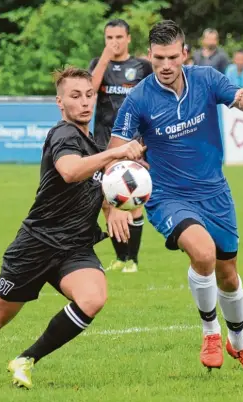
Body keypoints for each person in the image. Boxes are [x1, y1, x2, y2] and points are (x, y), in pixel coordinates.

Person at [0, 67, 145, 389]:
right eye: (75, 96)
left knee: (93, 298)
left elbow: (98, 183)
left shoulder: (91, 142)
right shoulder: (64, 135)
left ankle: (26, 359)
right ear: (60, 102)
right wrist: (117, 151)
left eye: (88, 95)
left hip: (74, 247)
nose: (84, 103)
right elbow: (70, 172)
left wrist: (113, 208)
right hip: (36, 245)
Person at [107, 20, 243, 373]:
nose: (165, 66)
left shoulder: (208, 80)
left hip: (215, 193)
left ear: (184, 54)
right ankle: (211, 331)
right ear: (148, 55)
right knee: (203, 252)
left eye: (171, 57)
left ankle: (239, 343)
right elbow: (113, 154)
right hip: (168, 196)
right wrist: (115, 194)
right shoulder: (138, 99)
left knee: (229, 275)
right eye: (158, 58)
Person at [88, 19, 153, 273]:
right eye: (109, 38)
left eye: (118, 37)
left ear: (128, 39)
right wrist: (104, 58)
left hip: (132, 145)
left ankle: (132, 260)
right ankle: (120, 257)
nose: (113, 42)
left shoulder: (142, 67)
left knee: (132, 200)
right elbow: (89, 92)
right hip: (103, 145)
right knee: (107, 201)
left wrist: (146, 140)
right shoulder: (98, 65)